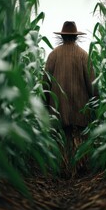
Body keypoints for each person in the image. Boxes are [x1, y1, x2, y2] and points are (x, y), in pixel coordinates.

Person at [43, 21, 98, 177]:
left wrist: (45, 103)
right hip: (80, 108)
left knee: (63, 137)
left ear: (62, 36)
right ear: (75, 37)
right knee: (79, 137)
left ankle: (63, 168)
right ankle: (79, 168)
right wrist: (96, 103)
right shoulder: (84, 56)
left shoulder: (53, 55)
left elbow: (45, 83)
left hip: (58, 107)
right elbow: (92, 83)